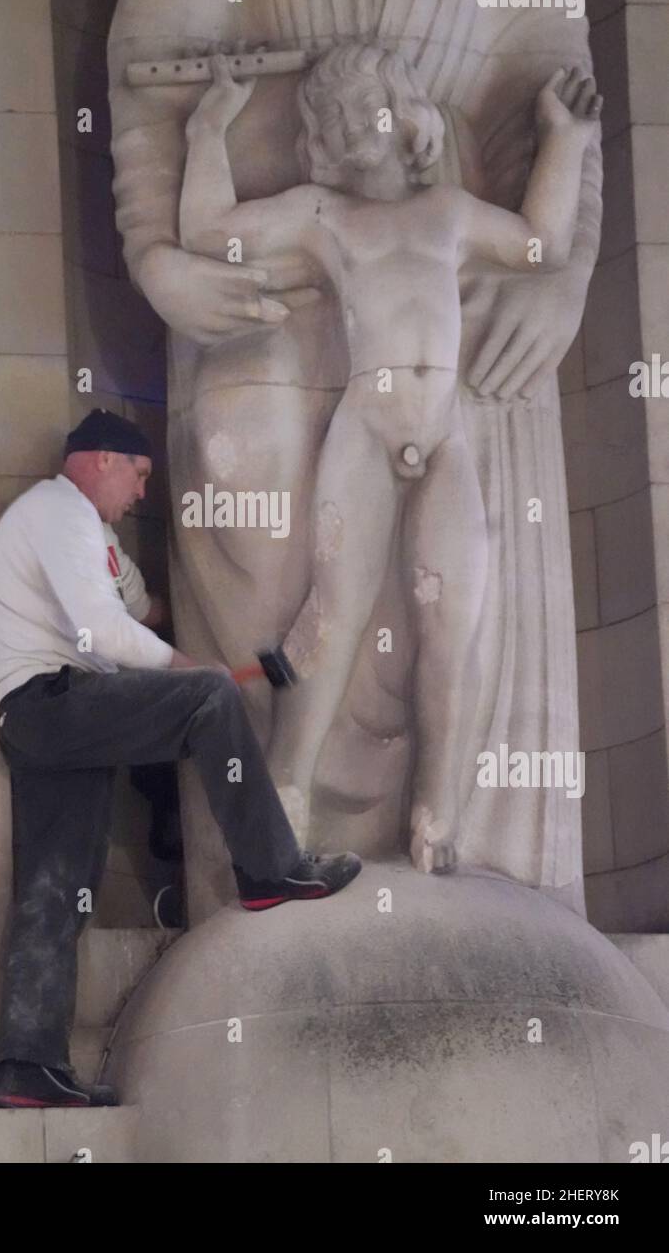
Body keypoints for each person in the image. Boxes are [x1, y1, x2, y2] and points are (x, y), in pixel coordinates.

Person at [179, 49, 602, 875]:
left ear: (402, 112)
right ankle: (286, 804)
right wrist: (206, 130)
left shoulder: (446, 211)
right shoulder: (322, 215)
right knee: (331, 620)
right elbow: (208, 232)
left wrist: (565, 139)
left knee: (450, 626)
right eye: (329, 111)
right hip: (367, 431)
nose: (348, 121)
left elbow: (543, 245)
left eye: (364, 102)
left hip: (445, 437)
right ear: (320, 139)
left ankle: (435, 817)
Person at [0, 407, 362, 1108]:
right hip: (52, 703)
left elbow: (133, 605)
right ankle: (273, 870)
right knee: (208, 705)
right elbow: (101, 630)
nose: (143, 493)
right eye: (140, 474)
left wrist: (192, 621)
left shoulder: (86, 533)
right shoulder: (55, 510)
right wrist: (197, 670)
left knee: (54, 890)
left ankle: (25, 1070)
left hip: (45, 722)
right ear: (100, 460)